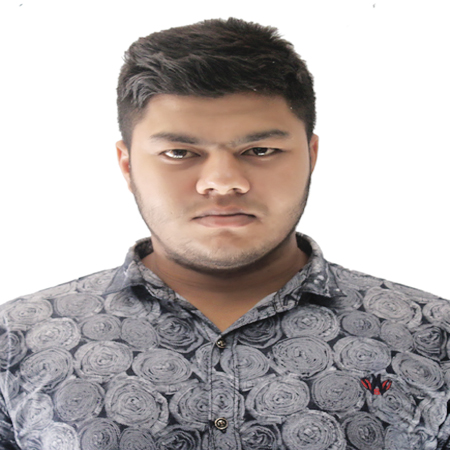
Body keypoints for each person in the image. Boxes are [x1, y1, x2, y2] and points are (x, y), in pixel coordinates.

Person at [1, 17, 449, 450]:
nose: (222, 182)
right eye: (180, 153)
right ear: (127, 164)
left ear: (311, 155)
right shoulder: (16, 339)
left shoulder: (434, 334)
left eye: (261, 149)